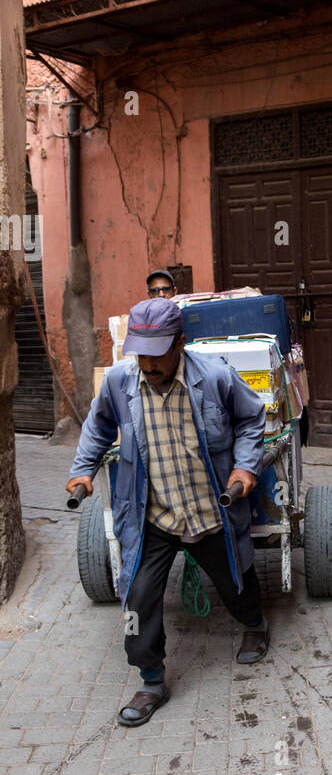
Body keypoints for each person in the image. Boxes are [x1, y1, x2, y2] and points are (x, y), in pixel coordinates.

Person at [65, 298, 270, 728]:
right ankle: (151, 679)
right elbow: (98, 427)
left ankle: (254, 623)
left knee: (236, 579)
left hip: (208, 509)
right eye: (140, 352)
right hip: (152, 515)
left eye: (156, 353)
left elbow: (252, 419)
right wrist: (83, 470)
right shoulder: (122, 381)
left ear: (180, 343)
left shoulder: (213, 377)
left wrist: (245, 465)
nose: (147, 362)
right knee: (138, 597)